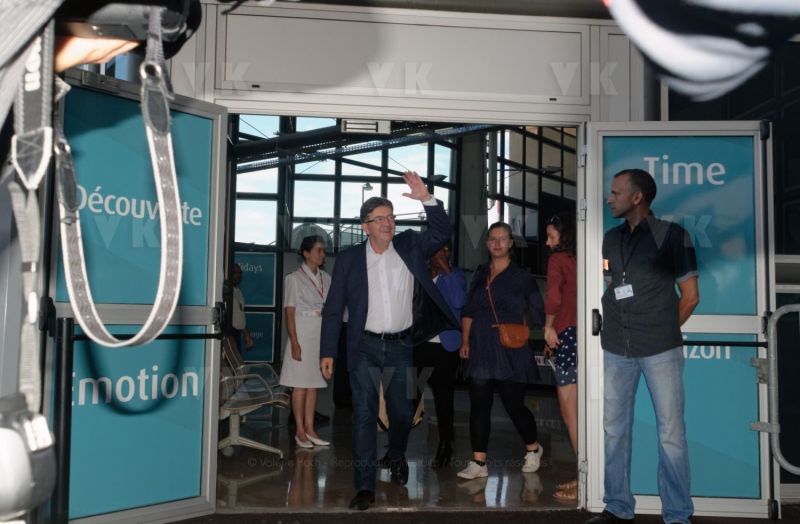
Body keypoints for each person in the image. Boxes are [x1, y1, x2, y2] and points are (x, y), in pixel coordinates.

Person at [319, 171, 457, 511]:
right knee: (364, 415)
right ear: (365, 226)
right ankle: (364, 486)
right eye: (380, 218)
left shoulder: (410, 246)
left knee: (400, 413)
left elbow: (442, 231)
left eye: (391, 216)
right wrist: (326, 351)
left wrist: (427, 198)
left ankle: (395, 454)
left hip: (400, 346)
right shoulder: (350, 260)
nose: (388, 223)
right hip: (363, 346)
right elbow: (334, 307)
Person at [587, 169, 699, 524]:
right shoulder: (610, 238)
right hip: (617, 347)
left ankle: (678, 515)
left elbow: (691, 297)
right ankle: (618, 507)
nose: (610, 198)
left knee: (671, 434)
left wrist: (662, 332)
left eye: (616, 193)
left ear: (638, 197)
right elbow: (611, 284)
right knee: (614, 429)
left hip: (660, 349)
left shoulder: (673, 236)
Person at [457, 222, 545, 481]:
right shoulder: (480, 274)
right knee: (479, 406)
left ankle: (533, 448)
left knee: (513, 404)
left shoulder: (522, 276)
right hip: (482, 346)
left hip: (510, 348)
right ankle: (479, 462)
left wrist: (526, 326)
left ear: (510, 244)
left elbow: (537, 309)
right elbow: (469, 310)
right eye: (492, 239)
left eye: (502, 238)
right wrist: (465, 340)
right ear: (487, 244)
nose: (497, 243)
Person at [413, 239, 467, 469]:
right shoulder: (420, 275)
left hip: (446, 347)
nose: (444, 253)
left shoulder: (455, 276)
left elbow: (459, 302)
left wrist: (446, 271)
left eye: (448, 250)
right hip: (421, 345)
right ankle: (396, 448)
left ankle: (445, 444)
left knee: (443, 399)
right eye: (440, 250)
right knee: (408, 397)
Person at [279, 235, 331, 448]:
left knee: (313, 385)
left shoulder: (326, 278)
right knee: (300, 386)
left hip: (319, 332)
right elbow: (289, 312)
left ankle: (310, 428)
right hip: (301, 330)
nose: (322, 254)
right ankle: (299, 430)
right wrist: (294, 341)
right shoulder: (293, 278)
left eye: (323, 251)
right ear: (306, 253)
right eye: (318, 250)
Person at [543, 213, 578, 501]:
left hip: (568, 335)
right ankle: (586, 476)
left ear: (562, 238)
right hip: (588, 336)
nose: (546, 243)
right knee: (586, 413)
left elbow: (553, 297)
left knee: (570, 413)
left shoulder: (558, 260)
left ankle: (585, 478)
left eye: (551, 236)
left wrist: (548, 325)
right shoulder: (584, 259)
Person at [230, 263, 254, 352]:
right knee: (233, 364)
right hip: (228, 334)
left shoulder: (237, 291)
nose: (238, 275)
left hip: (235, 334)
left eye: (240, 272)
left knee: (235, 363)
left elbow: (239, 316)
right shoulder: (226, 291)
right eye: (235, 272)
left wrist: (247, 335)